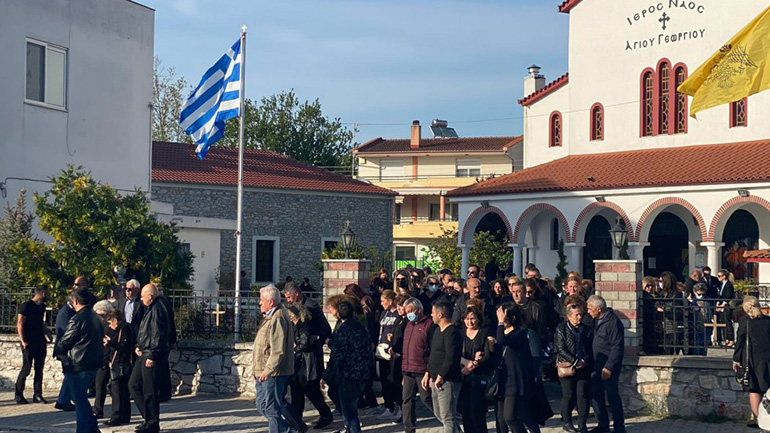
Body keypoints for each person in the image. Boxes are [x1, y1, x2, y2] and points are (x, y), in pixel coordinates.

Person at [252, 284, 303, 433]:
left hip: (273, 373)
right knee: (262, 406)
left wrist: (267, 370)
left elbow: (278, 350)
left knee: (272, 409)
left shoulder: (278, 318)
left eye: (262, 300)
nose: (260, 303)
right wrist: (256, 369)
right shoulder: (269, 316)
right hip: (262, 371)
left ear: (271, 302)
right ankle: (288, 431)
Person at [53, 288, 105, 433]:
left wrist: (58, 351)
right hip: (93, 362)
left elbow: (66, 341)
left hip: (77, 364)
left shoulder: (77, 319)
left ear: (75, 301)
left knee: (79, 400)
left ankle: (84, 429)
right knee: (81, 398)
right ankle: (93, 428)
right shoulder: (96, 317)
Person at [283, 283, 333, 429]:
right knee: (297, 388)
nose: (288, 301)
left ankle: (325, 414)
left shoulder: (311, 307)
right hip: (300, 356)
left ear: (296, 293)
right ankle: (297, 420)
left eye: (289, 297)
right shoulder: (293, 310)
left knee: (310, 388)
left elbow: (323, 328)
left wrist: (316, 338)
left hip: (309, 356)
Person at [323, 299, 373, 433]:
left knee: (350, 411)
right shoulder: (362, 328)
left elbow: (337, 355)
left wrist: (327, 375)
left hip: (347, 374)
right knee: (350, 407)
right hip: (362, 372)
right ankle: (348, 429)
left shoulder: (343, 330)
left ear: (339, 314)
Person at [494, 303, 541, 433]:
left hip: (515, 381)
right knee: (501, 418)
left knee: (510, 417)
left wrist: (500, 323)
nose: (501, 320)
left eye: (504, 317)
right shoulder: (501, 333)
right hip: (503, 380)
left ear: (513, 318)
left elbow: (502, 341)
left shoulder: (520, 333)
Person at [129, 284, 170, 433]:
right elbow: (145, 331)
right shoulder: (150, 308)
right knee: (133, 384)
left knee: (149, 390)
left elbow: (157, 334)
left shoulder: (157, 309)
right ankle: (149, 419)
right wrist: (138, 345)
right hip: (144, 352)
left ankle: (152, 423)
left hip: (150, 354)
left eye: (143, 296)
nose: (141, 299)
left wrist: (152, 354)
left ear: (150, 296)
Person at [586, 295, 625, 433]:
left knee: (612, 396)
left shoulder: (613, 323)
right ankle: (603, 424)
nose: (588, 312)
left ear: (598, 309)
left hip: (609, 366)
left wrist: (609, 367)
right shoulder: (597, 320)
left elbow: (617, 347)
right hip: (597, 364)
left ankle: (619, 427)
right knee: (596, 395)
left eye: (590, 309)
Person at [555, 300, 593, 433]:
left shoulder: (587, 330)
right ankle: (567, 421)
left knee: (583, 396)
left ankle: (582, 424)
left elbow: (591, 348)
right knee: (569, 395)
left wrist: (584, 360)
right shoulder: (561, 329)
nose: (579, 317)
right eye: (576, 315)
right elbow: (560, 348)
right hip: (568, 367)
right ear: (569, 316)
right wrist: (575, 361)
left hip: (584, 367)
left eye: (581, 314)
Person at [733, 296, 770, 428]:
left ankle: (757, 419)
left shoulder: (745, 321)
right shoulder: (768, 321)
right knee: (767, 387)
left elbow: (740, 341)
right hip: (767, 358)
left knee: (754, 389)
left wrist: (736, 359)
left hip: (751, 358)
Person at [399, 298, 435, 433]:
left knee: (427, 398)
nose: (408, 314)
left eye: (410, 311)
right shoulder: (408, 325)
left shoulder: (429, 325)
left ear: (418, 310)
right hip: (408, 370)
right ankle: (409, 428)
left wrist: (429, 371)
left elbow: (432, 349)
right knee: (406, 400)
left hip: (422, 369)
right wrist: (403, 371)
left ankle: (447, 419)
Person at [427, 301, 463, 433]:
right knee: (439, 413)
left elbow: (450, 357)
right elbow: (434, 354)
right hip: (434, 378)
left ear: (440, 314)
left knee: (448, 417)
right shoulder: (437, 330)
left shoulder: (452, 332)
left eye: (433, 312)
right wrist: (428, 373)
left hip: (447, 380)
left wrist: (441, 376)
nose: (431, 315)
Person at [15, 285, 53, 404]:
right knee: (26, 368)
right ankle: (18, 394)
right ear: (42, 293)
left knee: (39, 368)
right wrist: (23, 340)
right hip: (28, 341)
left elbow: (41, 322)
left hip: (40, 340)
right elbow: (20, 324)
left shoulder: (42, 307)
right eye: (47, 293)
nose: (48, 295)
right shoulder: (26, 306)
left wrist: (48, 333)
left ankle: (37, 394)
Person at [458, 306, 493, 433]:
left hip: (479, 377)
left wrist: (474, 364)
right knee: (465, 411)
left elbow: (487, 355)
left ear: (478, 319)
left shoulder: (484, 333)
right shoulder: (460, 334)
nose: (470, 321)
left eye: (472, 318)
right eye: (467, 319)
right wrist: (466, 364)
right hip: (462, 376)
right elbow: (454, 353)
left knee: (476, 410)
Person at [286, 304, 317, 427]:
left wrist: (295, 349)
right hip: (298, 361)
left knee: (303, 390)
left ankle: (298, 418)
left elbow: (304, 343)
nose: (289, 316)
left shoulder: (304, 325)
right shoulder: (294, 325)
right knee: (297, 391)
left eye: (290, 314)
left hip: (304, 361)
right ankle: (296, 418)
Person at [102, 309, 134, 427]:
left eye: (110, 323)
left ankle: (116, 417)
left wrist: (110, 342)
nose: (110, 326)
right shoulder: (120, 329)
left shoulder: (124, 329)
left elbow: (123, 346)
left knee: (117, 391)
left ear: (115, 320)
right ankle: (125, 416)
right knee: (123, 391)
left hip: (121, 362)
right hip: (119, 362)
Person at [376, 290, 404, 422]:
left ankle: (399, 406)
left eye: (383, 301)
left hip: (393, 351)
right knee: (385, 379)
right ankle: (389, 406)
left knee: (395, 380)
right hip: (382, 350)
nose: (381, 304)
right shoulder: (384, 313)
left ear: (390, 301)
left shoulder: (397, 314)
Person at [92, 300, 116, 419]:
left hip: (111, 359)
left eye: (102, 315)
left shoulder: (113, 326)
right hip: (100, 359)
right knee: (99, 385)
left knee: (115, 387)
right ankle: (98, 410)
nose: (99, 317)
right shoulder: (95, 325)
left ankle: (117, 411)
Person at [54, 291, 77, 411]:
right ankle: (63, 400)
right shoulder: (66, 313)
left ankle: (66, 399)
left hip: (67, 349)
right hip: (65, 350)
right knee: (69, 375)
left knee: (70, 375)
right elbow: (66, 333)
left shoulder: (70, 311)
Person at [155, 285, 176, 402]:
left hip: (162, 340)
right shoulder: (162, 303)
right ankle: (164, 392)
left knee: (162, 368)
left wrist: (172, 339)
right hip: (164, 340)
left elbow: (169, 322)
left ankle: (163, 392)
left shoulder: (162, 303)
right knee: (162, 367)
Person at [716, 269, 736, 347]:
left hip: (726, 306)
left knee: (728, 322)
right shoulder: (722, 285)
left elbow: (728, 296)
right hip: (722, 305)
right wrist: (718, 304)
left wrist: (722, 304)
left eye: (719, 276)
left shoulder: (728, 285)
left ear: (724, 276)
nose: (718, 277)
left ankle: (731, 339)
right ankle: (726, 338)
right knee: (723, 322)